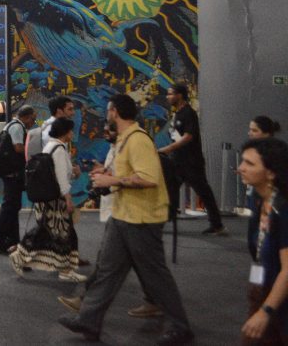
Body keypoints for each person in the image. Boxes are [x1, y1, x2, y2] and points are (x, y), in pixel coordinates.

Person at [59, 93, 193, 345]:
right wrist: (105, 173)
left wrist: (111, 180)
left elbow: (149, 178)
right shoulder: (124, 139)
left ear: (115, 112)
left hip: (142, 219)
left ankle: (180, 326)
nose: (106, 114)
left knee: (155, 275)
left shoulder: (138, 140)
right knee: (107, 272)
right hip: (123, 215)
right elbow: (127, 173)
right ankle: (88, 320)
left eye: (108, 110)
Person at [9, 116, 84, 282]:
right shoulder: (59, 150)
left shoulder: (50, 146)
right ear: (65, 132)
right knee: (64, 235)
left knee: (49, 234)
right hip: (57, 201)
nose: (72, 133)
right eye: (71, 131)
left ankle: (22, 257)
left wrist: (72, 173)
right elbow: (61, 178)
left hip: (47, 199)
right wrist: (68, 199)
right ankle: (64, 270)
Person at [159, 83, 225, 235]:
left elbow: (188, 136)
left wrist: (168, 148)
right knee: (169, 190)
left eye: (171, 94)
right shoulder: (177, 114)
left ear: (180, 95)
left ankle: (217, 225)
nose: (168, 97)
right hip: (177, 161)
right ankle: (162, 220)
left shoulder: (189, 113)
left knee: (203, 192)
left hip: (191, 162)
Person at [239, 138, 288, 344]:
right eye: (243, 161)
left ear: (271, 173)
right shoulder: (260, 201)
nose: (241, 168)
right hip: (266, 293)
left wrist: (265, 311)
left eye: (250, 163)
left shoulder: (283, 209)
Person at [0, 105, 36, 255]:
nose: (33, 123)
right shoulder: (17, 127)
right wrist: (33, 152)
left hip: (9, 172)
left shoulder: (11, 125)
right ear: (26, 117)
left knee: (13, 206)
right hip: (12, 173)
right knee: (9, 206)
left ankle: (12, 240)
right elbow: (18, 148)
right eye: (33, 119)